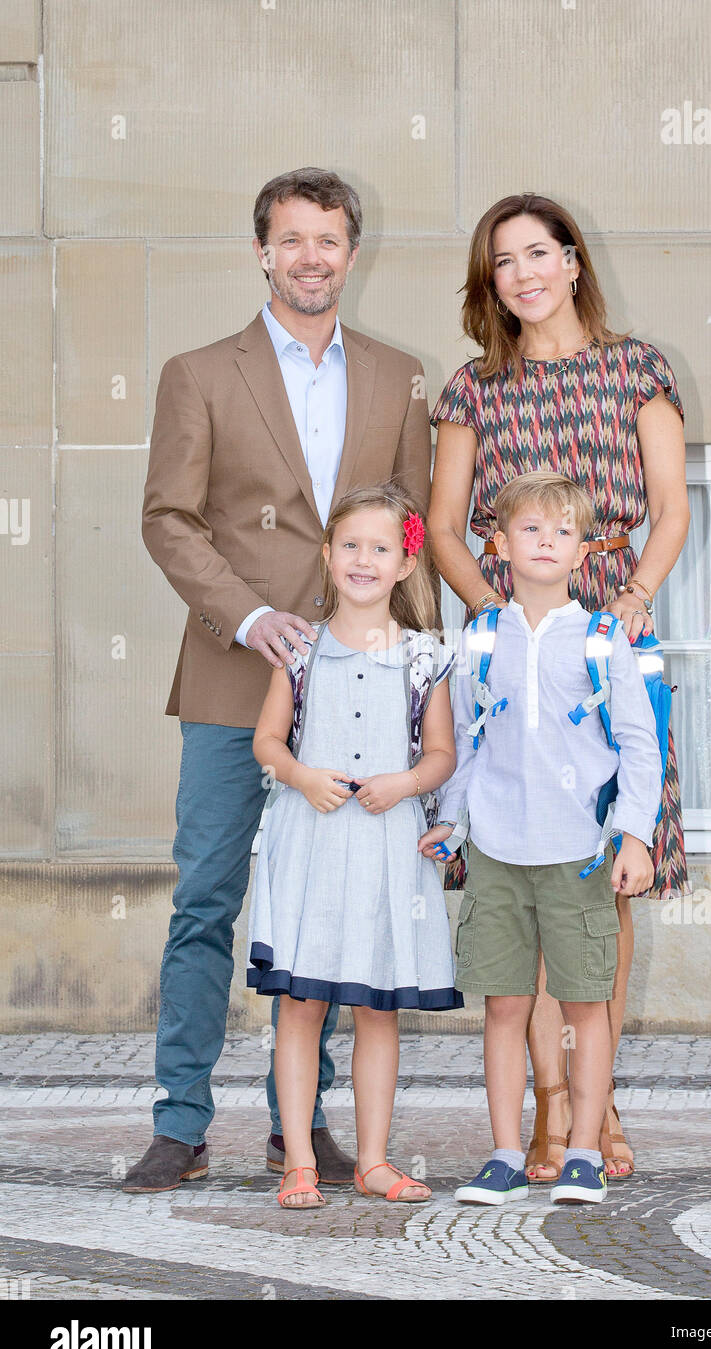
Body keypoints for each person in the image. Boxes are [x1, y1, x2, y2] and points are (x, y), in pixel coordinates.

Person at [127, 168, 436, 1194]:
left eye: (329, 239)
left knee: (332, 906)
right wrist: (251, 617)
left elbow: (411, 538)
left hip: (359, 697)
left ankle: (293, 1129)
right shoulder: (199, 372)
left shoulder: (397, 376)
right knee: (208, 898)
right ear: (263, 250)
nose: (311, 256)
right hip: (231, 677)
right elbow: (167, 517)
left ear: (353, 251)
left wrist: (424, 674)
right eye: (291, 239)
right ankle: (178, 1124)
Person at [426, 192, 691, 1181]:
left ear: (573, 261)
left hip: (606, 646)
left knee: (598, 884)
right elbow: (445, 528)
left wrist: (629, 594)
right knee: (521, 881)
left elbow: (667, 508)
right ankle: (540, 1112)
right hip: (510, 662)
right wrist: (493, 613)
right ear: (488, 281)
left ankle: (595, 1103)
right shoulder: (470, 389)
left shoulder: (637, 369)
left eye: (538, 252)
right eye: (503, 260)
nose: (523, 272)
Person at [420, 472, 662, 1204]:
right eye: (530, 529)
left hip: (579, 855)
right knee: (502, 1005)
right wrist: (449, 819)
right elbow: (464, 740)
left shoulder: (599, 640)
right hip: (496, 851)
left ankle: (582, 1151)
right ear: (497, 544)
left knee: (586, 1007)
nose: (547, 542)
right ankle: (502, 1151)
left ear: (583, 551)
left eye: (562, 532)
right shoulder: (478, 640)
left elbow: (636, 743)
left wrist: (633, 837)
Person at [247, 483, 460, 1209]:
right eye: (349, 545)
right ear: (327, 554)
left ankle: (372, 1159)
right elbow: (266, 743)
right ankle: (299, 1159)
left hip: (386, 851)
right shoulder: (299, 650)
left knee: (378, 1007)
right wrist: (302, 775)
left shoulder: (426, 657)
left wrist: (403, 785)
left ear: (405, 564)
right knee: (301, 1006)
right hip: (311, 844)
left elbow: (440, 756)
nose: (363, 559)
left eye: (380, 547)